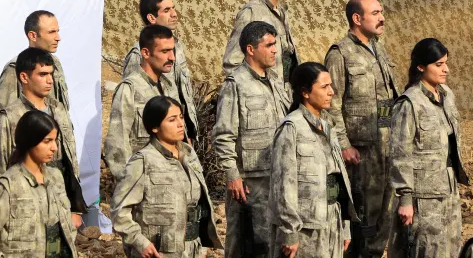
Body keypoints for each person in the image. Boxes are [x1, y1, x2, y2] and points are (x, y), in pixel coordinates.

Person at [324, 0, 397, 257]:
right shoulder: (340, 54)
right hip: (360, 154)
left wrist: (392, 135)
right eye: (375, 13)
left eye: (381, 12)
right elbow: (331, 104)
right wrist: (343, 145)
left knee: (384, 217)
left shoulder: (379, 49)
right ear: (357, 18)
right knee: (362, 220)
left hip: (385, 148)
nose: (382, 18)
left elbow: (386, 99)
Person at [210, 21, 290, 258]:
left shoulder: (275, 82)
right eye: (269, 45)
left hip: (276, 177)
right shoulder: (235, 84)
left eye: (275, 44)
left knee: (271, 244)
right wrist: (232, 175)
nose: (275, 50)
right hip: (248, 183)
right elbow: (223, 135)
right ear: (250, 49)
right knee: (244, 246)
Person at [388, 39, 470, 258]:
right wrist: (406, 199)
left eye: (446, 63)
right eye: (439, 64)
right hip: (423, 196)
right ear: (421, 67)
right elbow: (400, 153)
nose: (446, 69)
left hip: (448, 189)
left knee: (451, 247)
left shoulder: (446, 95)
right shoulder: (410, 103)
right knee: (427, 249)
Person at [111, 97, 223, 258]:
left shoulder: (189, 154)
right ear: (155, 127)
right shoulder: (143, 161)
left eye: (181, 117)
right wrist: (140, 242)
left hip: (192, 248)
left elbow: (199, 203)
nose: (180, 124)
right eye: (172, 120)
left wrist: (201, 247)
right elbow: (119, 210)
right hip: (159, 252)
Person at [0, 48, 85, 225]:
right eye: (42, 74)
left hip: (60, 200)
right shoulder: (10, 117)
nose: (49, 80)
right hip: (25, 204)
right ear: (24, 77)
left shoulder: (59, 110)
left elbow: (70, 159)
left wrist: (75, 206)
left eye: (51, 74)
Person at [270, 62, 357, 258]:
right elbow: (283, 185)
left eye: (331, 86)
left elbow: (337, 179)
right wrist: (289, 232)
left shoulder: (327, 126)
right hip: (305, 228)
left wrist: (345, 225)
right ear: (305, 92)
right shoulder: (292, 128)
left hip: (331, 221)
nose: (331, 92)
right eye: (324, 87)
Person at [0, 111, 81, 258]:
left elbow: (66, 227)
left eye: (55, 140)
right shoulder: (9, 186)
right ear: (30, 141)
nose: (54, 147)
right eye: (47, 141)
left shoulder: (55, 177)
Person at [104, 24, 183, 181]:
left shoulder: (168, 87)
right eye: (165, 51)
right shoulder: (130, 89)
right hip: (144, 179)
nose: (172, 57)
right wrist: (130, 183)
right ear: (146, 53)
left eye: (172, 51)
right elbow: (117, 142)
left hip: (171, 178)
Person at [122, 0, 199, 142]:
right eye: (166, 10)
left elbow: (182, 93)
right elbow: (130, 103)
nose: (174, 14)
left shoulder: (177, 46)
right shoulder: (139, 55)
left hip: (179, 134)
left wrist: (188, 132)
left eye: (173, 8)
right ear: (152, 18)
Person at [222, 0, 299, 88]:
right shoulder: (252, 12)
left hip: (286, 92)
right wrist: (255, 92)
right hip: (265, 93)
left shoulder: (282, 11)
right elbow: (232, 63)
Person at [0, 10, 71, 120]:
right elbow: (4, 119)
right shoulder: (15, 68)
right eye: (51, 32)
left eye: (57, 31)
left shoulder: (55, 63)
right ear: (33, 36)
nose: (58, 38)